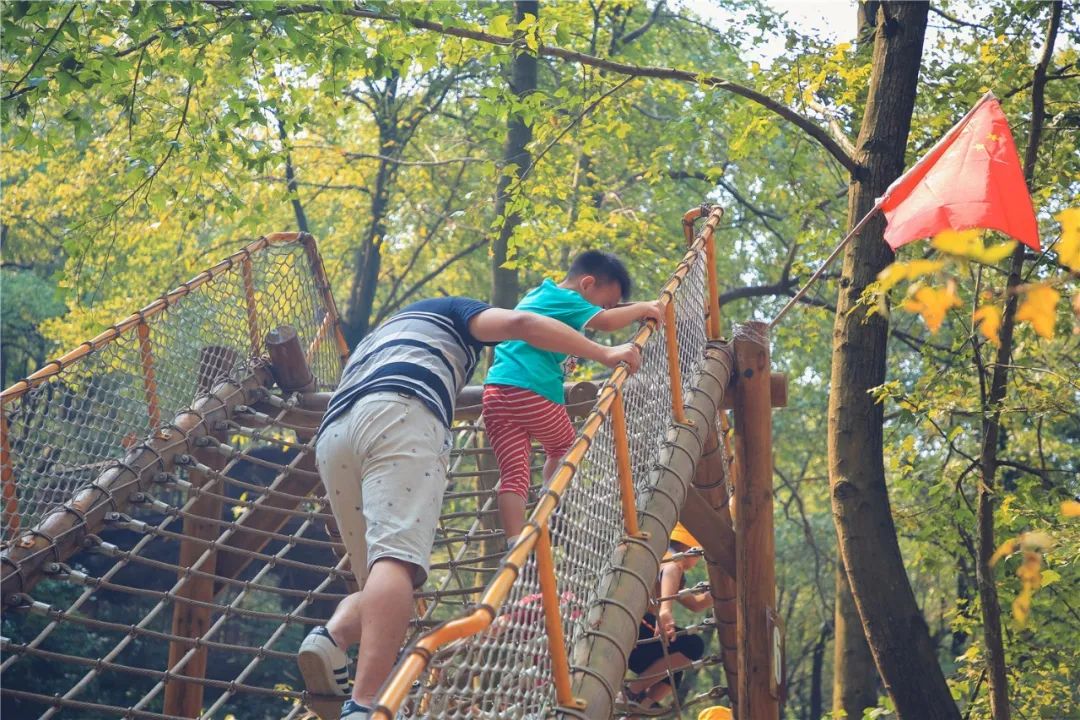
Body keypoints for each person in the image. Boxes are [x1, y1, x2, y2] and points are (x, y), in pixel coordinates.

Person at [298, 297, 641, 720]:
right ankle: (367, 705)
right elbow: (521, 323)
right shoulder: (456, 310)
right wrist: (604, 352)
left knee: (378, 580)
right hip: (397, 414)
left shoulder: (382, 336)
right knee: (396, 562)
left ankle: (330, 638)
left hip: (333, 433)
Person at [482, 250, 664, 549]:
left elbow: (605, 314)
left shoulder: (542, 295)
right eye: (605, 303)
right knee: (565, 447)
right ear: (587, 284)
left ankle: (514, 541)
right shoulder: (567, 299)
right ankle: (550, 507)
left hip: (497, 393)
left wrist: (629, 307)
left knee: (513, 472)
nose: (605, 310)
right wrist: (644, 308)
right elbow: (606, 322)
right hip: (533, 391)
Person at [622, 522, 712, 715]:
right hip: (633, 630)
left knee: (675, 665)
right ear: (690, 548)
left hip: (637, 640)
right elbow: (671, 569)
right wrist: (665, 611)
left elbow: (696, 604)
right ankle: (632, 692)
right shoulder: (669, 557)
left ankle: (639, 708)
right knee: (692, 645)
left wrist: (721, 590)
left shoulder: (669, 565)